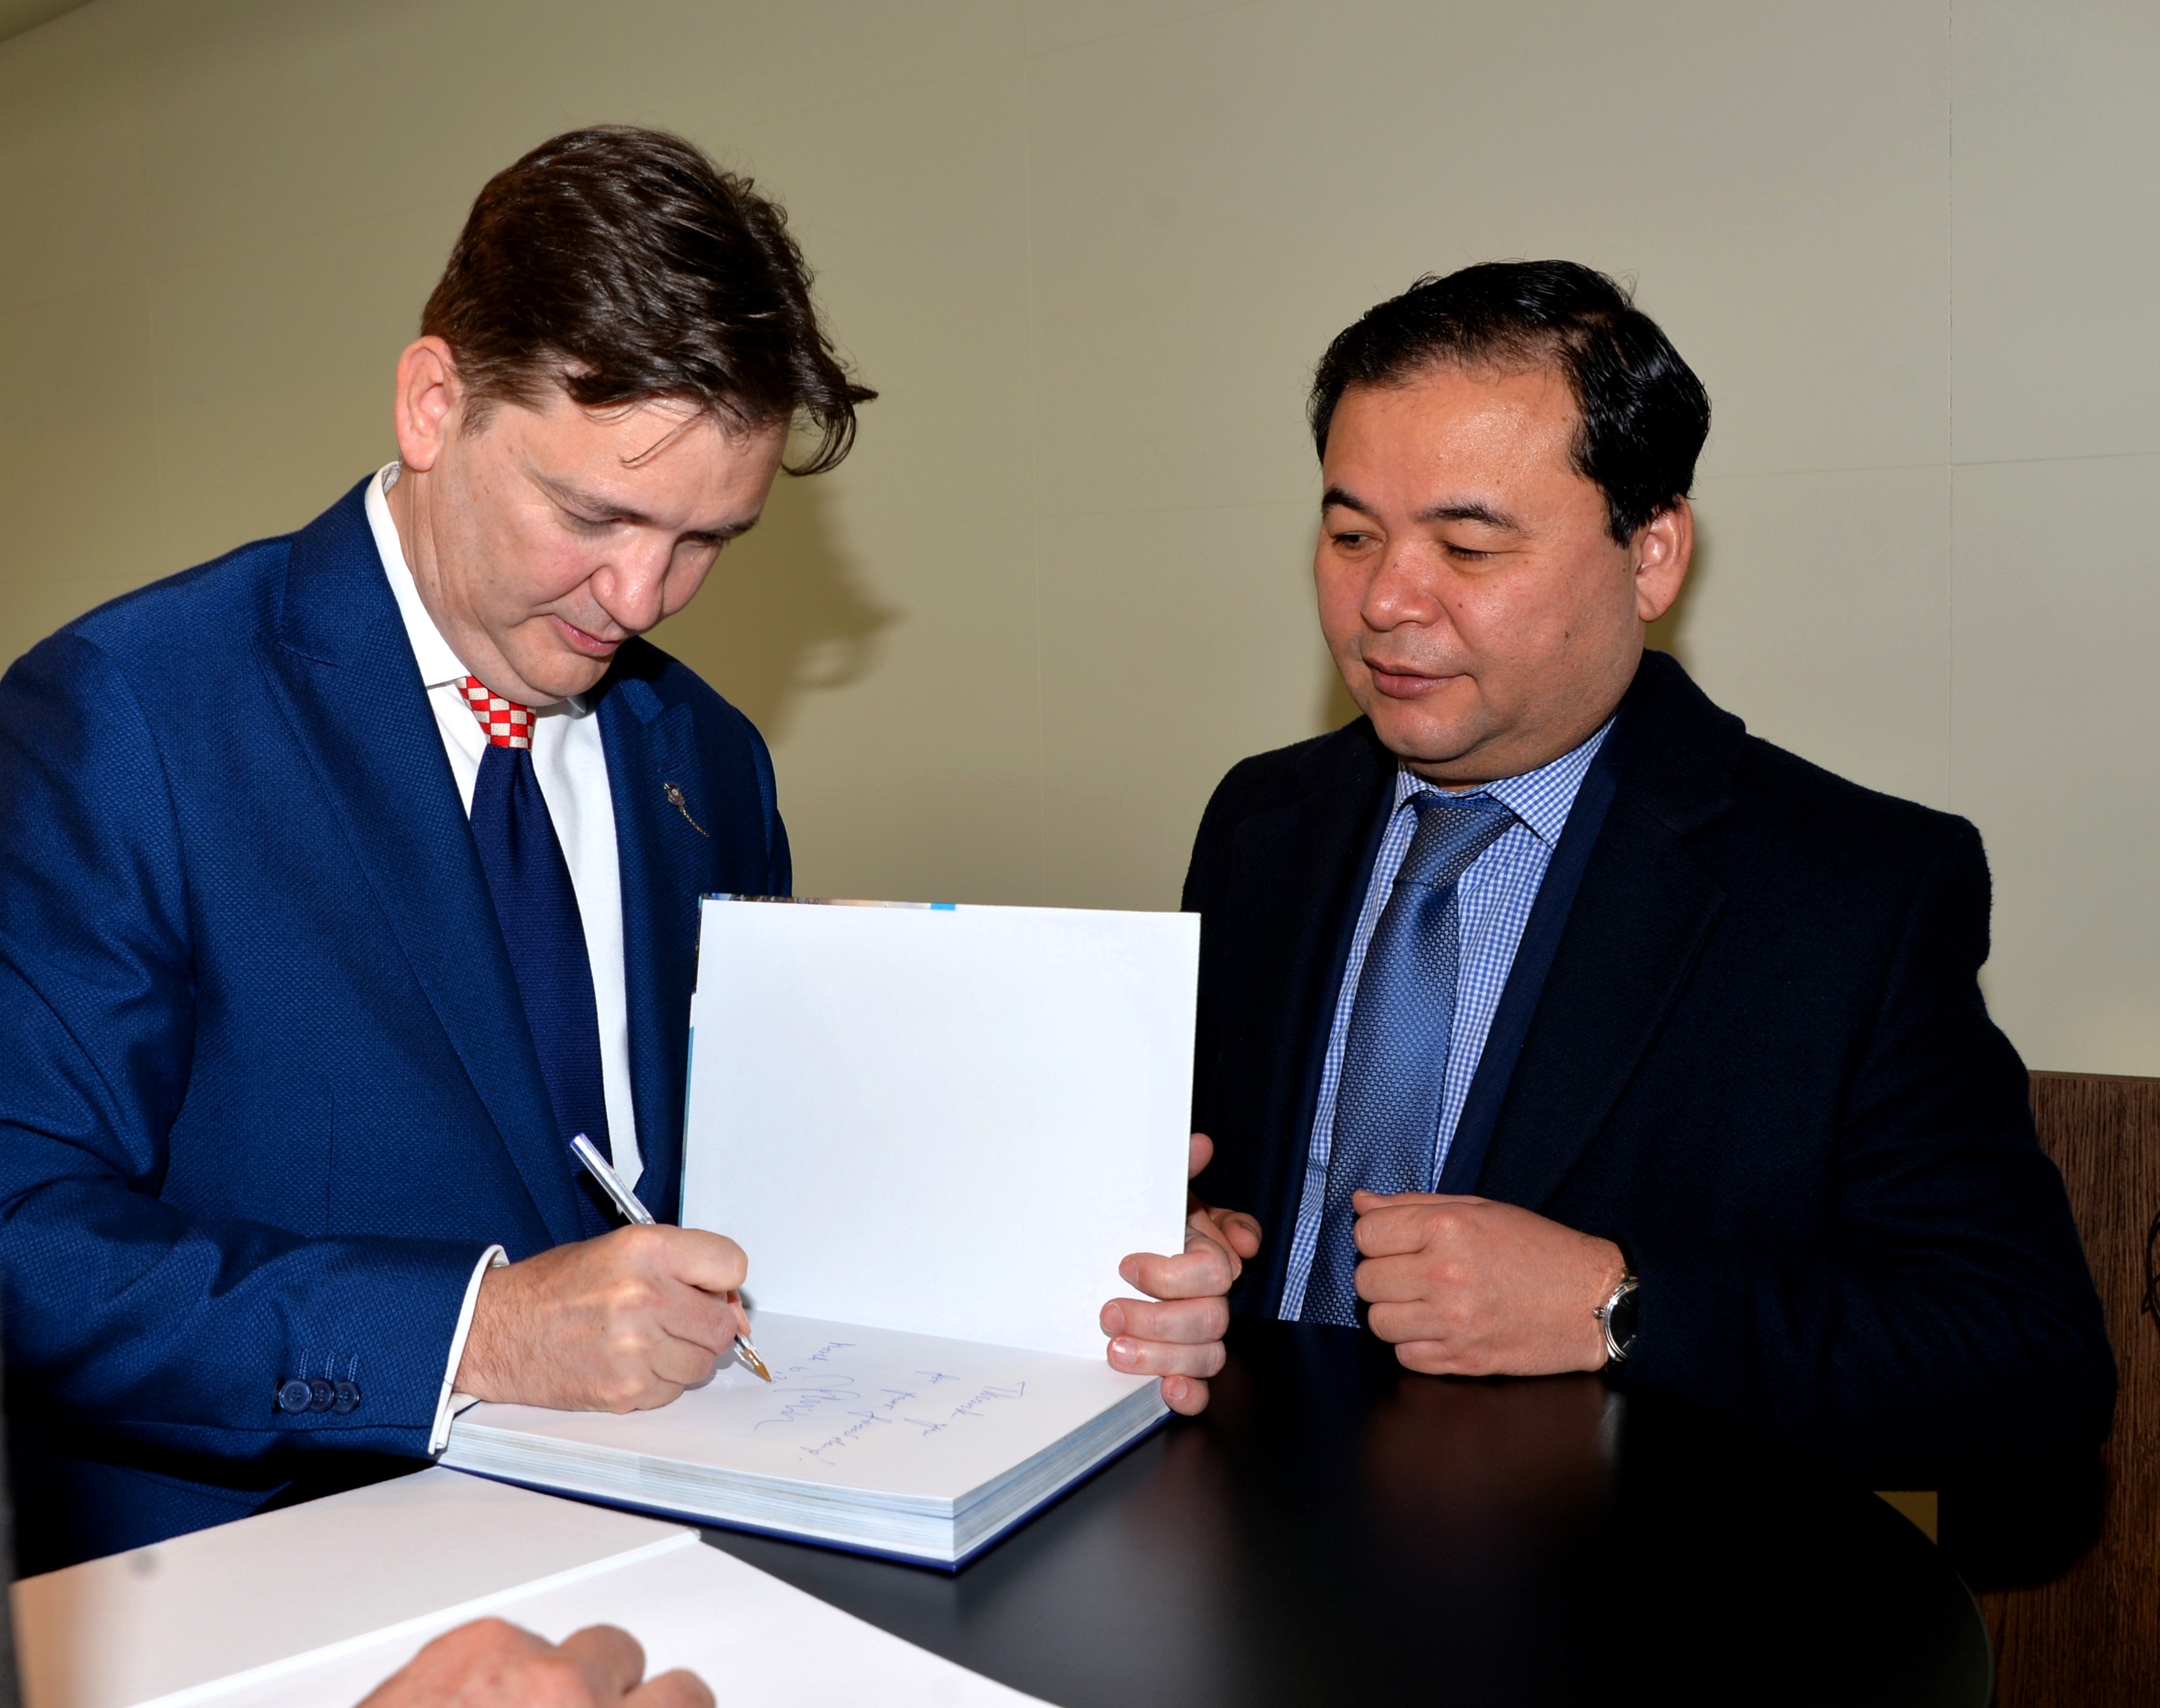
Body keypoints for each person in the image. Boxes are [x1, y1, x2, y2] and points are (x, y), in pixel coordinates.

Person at [0, 124, 1213, 1573]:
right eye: (594, 514)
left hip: (686, 1562)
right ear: (434, 404)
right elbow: (27, 1239)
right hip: (274, 1579)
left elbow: (745, 1185)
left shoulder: (705, 754)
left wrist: (1071, 1266)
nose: (641, 597)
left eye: (709, 540)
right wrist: (478, 1331)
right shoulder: (131, 713)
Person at [1176, 261, 2115, 1484]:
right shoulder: (1262, 822)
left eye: (1467, 545)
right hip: (1225, 1531)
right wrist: (1171, 1252)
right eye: (1351, 535)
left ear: (1651, 553)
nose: (1387, 599)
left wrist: (1613, 1304)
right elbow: (1203, 1190)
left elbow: (2027, 1366)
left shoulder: (1851, 892)